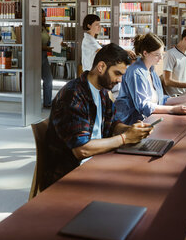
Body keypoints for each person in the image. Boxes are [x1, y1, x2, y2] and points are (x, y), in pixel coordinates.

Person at [42, 43, 153, 189]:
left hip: (95, 162)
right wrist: (125, 138)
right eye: (117, 74)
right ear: (101, 67)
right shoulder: (73, 95)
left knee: (141, 176)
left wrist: (131, 130)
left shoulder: (102, 91)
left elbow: (112, 124)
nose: (120, 80)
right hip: (70, 175)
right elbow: (82, 149)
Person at [115, 33, 186, 125]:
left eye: (161, 54)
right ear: (145, 53)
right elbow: (143, 106)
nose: (161, 58)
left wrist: (185, 99)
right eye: (157, 55)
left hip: (148, 120)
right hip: (131, 123)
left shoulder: (151, 70)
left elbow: (160, 99)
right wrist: (172, 109)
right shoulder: (136, 72)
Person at [41, 10, 53, 108]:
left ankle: (47, 102)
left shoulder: (44, 28)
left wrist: (57, 44)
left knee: (48, 79)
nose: (44, 19)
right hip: (35, 57)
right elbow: (33, 44)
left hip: (44, 56)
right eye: (42, 16)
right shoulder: (33, 28)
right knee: (34, 81)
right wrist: (47, 48)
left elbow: (48, 41)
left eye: (44, 16)